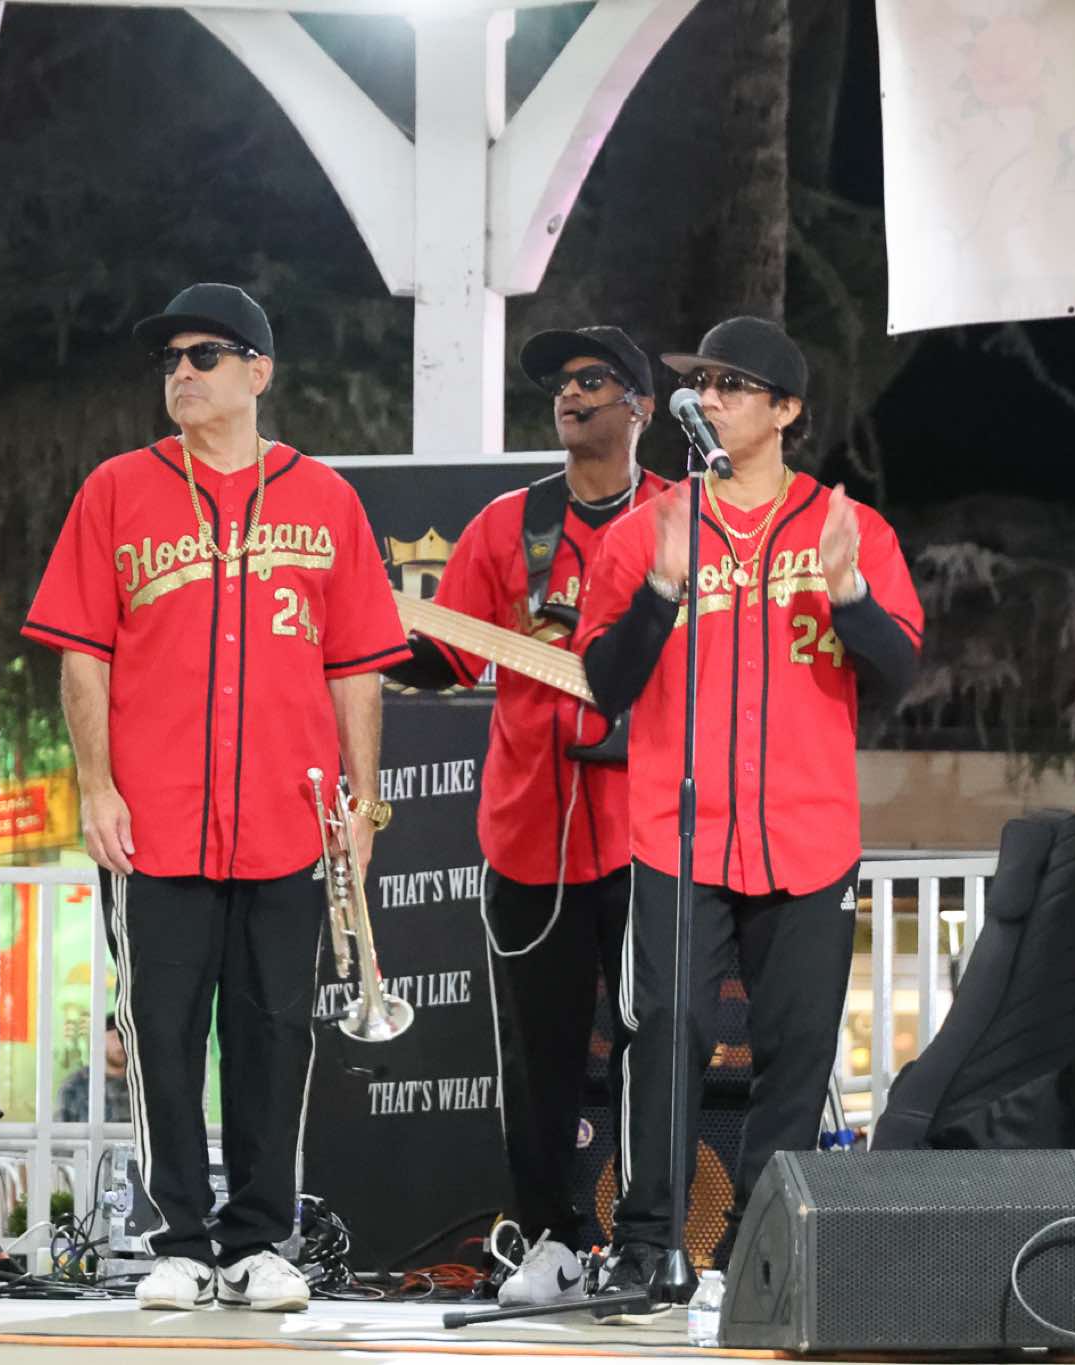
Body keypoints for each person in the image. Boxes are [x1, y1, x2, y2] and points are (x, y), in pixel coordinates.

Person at [23, 283, 409, 1313]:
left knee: (277, 1031)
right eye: (170, 359)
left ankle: (259, 1241)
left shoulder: (325, 498)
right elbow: (81, 654)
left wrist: (364, 802)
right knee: (160, 1028)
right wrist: (95, 785)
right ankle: (178, 1240)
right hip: (154, 819)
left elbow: (355, 667)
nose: (181, 373)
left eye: (204, 355)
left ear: (258, 371)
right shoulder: (116, 488)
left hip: (289, 816)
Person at [574, 317, 923, 1311]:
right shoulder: (651, 529)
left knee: (795, 1051)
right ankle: (647, 1244)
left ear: (786, 410)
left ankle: (761, 1255)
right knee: (665, 1030)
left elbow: (897, 672)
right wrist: (658, 590)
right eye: (705, 382)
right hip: (677, 833)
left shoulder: (845, 527)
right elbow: (604, 683)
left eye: (734, 384)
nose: (712, 397)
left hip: (808, 835)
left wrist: (848, 595)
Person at [383, 325, 668, 1306]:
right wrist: (367, 625)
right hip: (528, 835)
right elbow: (446, 657)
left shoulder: (682, 521)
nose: (569, 394)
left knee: (655, 1043)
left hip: (650, 833)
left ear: (641, 405)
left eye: (593, 379)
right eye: (559, 384)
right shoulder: (509, 525)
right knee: (538, 1057)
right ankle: (551, 1238)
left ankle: (654, 1241)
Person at [57, 1013, 132, 1124]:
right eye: (114, 1037)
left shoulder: (143, 1082)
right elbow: (61, 1131)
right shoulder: (75, 1086)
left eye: (126, 1037)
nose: (122, 1043)